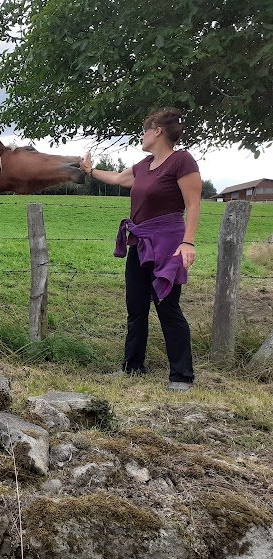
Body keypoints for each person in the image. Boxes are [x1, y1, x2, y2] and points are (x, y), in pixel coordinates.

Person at [81, 107, 202, 392]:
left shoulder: (181, 161)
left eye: (145, 130)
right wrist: (90, 170)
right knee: (135, 307)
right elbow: (117, 179)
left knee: (168, 308)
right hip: (139, 242)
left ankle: (181, 376)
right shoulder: (143, 165)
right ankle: (132, 367)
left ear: (157, 131)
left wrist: (188, 242)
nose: (142, 135)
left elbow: (194, 204)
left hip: (168, 245)